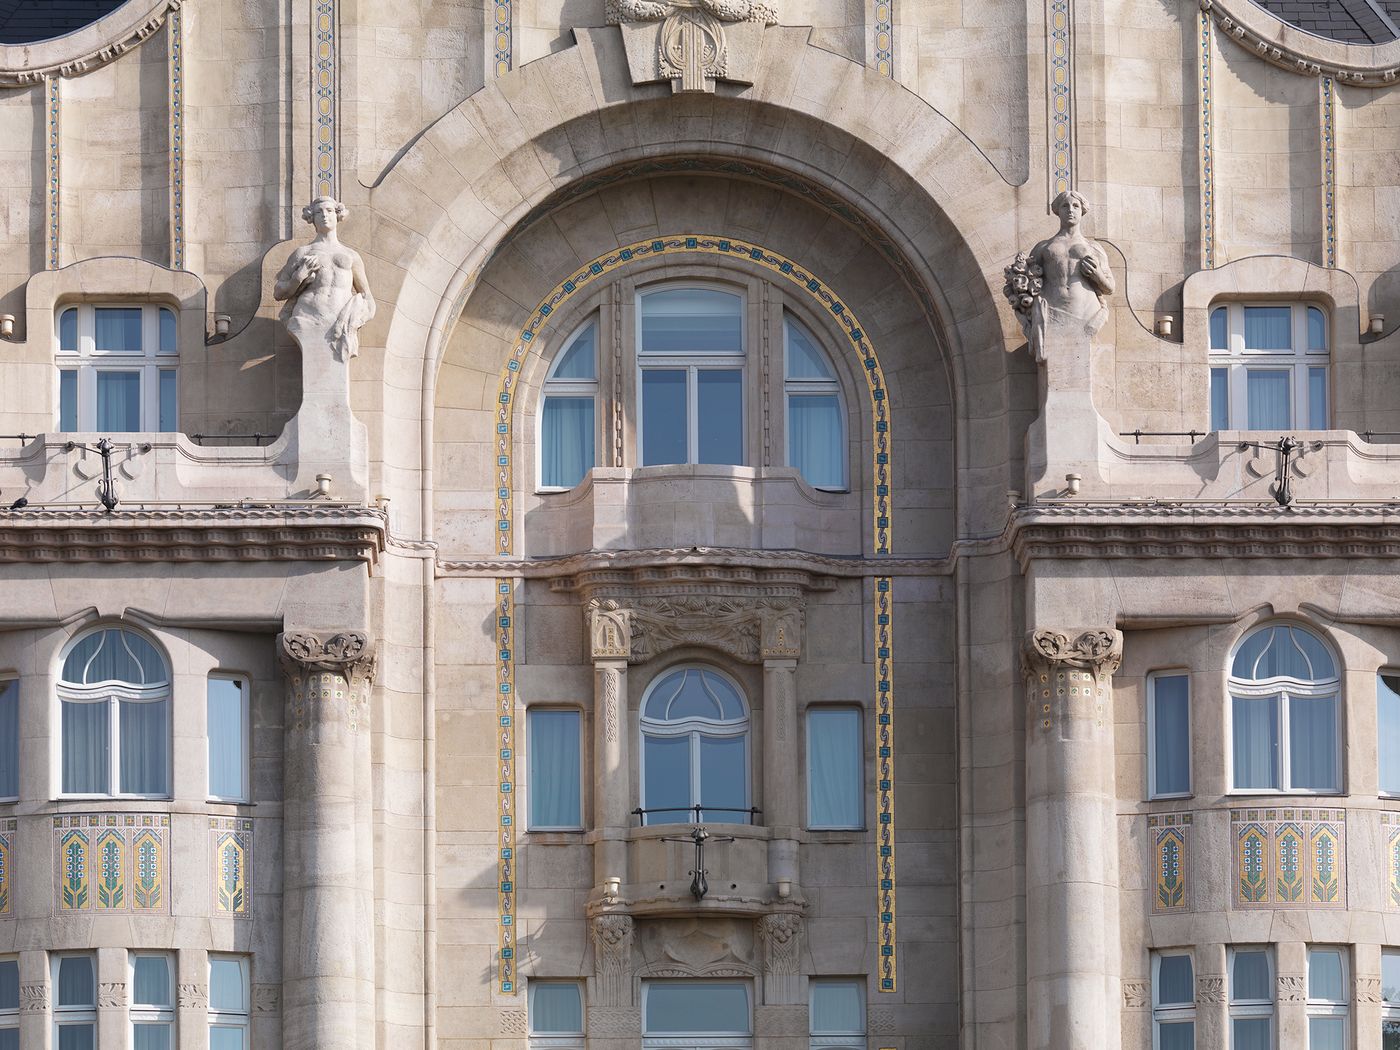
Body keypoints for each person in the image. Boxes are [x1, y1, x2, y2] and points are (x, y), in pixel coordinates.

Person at [273, 196, 376, 362]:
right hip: (308, 317)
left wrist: (355, 321)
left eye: (329, 211)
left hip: (341, 322)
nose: (324, 215)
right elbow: (278, 292)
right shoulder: (303, 253)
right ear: (311, 218)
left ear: (337, 215)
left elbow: (367, 297)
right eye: (318, 212)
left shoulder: (351, 255)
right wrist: (299, 276)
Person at [1022, 190, 1115, 361]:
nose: (1070, 210)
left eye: (1075, 206)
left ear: (1082, 211)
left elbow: (1110, 287)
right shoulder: (1044, 247)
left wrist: (1097, 275)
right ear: (1058, 210)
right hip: (1052, 310)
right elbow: (1027, 285)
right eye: (1065, 206)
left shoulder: (1092, 247)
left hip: (1084, 312)